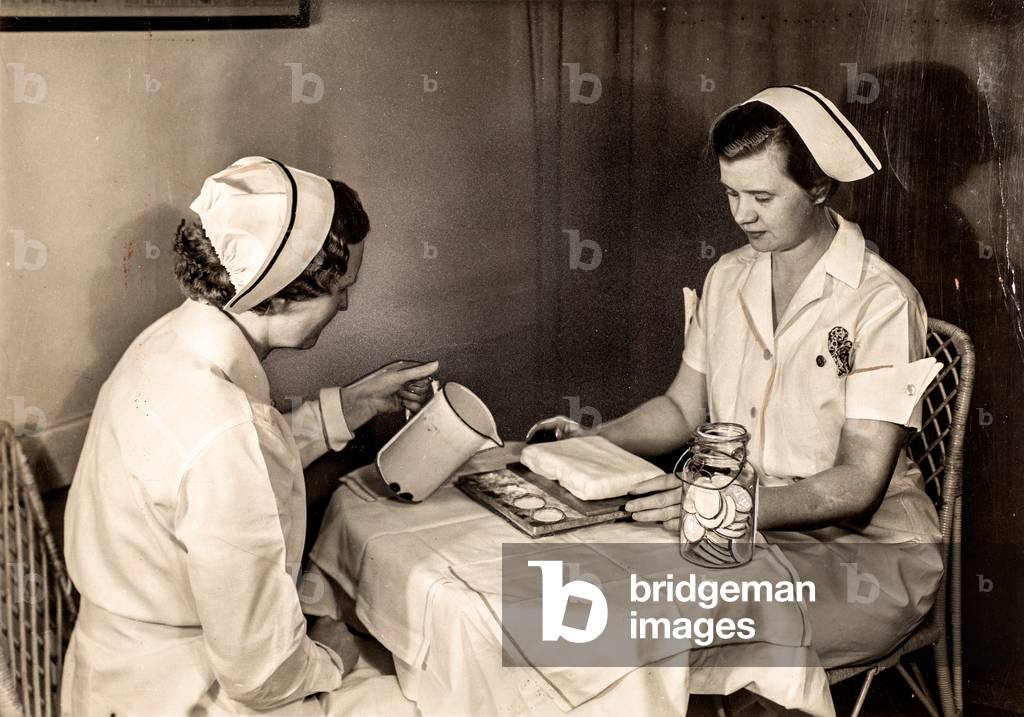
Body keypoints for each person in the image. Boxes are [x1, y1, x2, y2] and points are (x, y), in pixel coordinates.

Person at [528, 86, 945, 667]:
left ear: (818, 187)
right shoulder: (727, 276)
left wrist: (718, 507)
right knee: (579, 598)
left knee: (637, 629)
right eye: (731, 193)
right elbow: (681, 410)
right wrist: (590, 442)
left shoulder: (881, 300)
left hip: (863, 556)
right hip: (740, 527)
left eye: (762, 197)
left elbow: (857, 484)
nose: (741, 215)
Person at [62, 156, 432, 715]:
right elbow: (260, 676)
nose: (347, 304)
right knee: (431, 689)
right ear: (277, 297)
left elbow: (227, 469)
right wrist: (331, 657)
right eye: (341, 288)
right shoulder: (227, 430)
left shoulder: (170, 340)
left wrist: (351, 405)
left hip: (113, 668)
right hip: (186, 692)